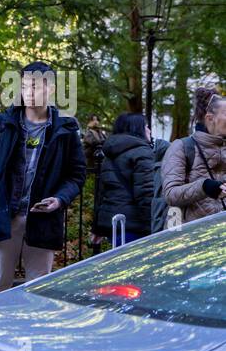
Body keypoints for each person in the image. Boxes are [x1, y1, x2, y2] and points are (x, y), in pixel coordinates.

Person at [0, 61, 87, 292]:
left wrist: (59, 199)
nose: (29, 92)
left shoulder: (65, 129)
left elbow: (76, 175)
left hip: (43, 221)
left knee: (38, 291)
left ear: (51, 88)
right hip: (4, 216)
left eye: (35, 86)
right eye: (25, 86)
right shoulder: (1, 123)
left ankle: (31, 329)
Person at [91, 112, 155, 246]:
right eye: (146, 126)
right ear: (137, 128)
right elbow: (146, 193)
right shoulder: (142, 152)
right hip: (135, 225)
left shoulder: (110, 153)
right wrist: (154, 226)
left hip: (114, 224)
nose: (149, 130)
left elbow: (101, 194)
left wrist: (97, 228)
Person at [162, 91, 226, 225]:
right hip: (187, 235)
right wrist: (204, 187)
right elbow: (170, 194)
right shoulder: (182, 147)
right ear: (210, 118)